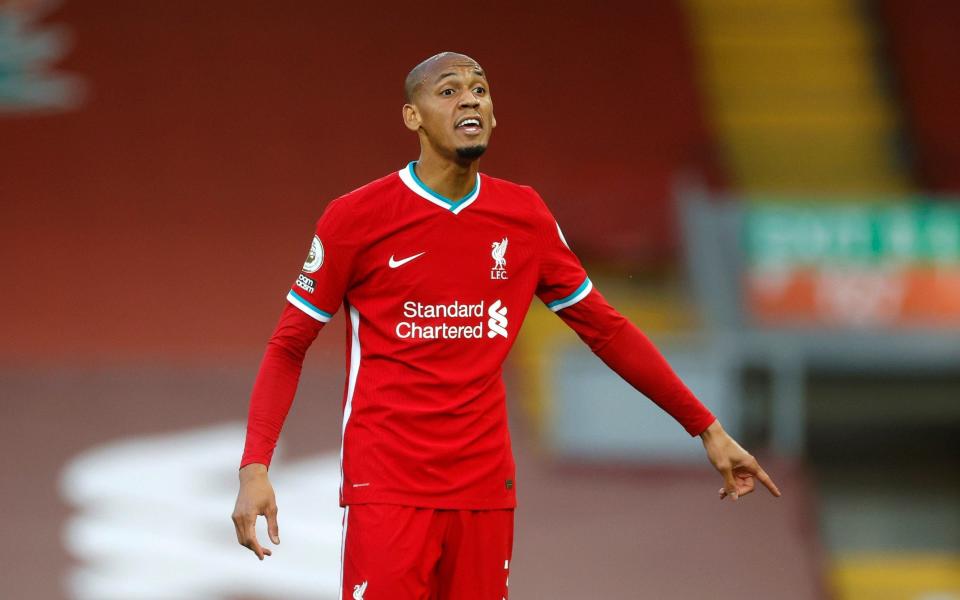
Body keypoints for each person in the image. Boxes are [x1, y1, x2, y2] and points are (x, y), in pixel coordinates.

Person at [232, 51, 781, 600]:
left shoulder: (524, 216)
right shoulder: (355, 218)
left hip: (485, 488)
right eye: (448, 91)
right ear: (412, 117)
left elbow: (606, 330)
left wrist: (706, 428)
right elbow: (288, 346)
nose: (469, 98)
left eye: (480, 90)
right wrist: (255, 465)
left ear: (493, 115)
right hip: (389, 487)